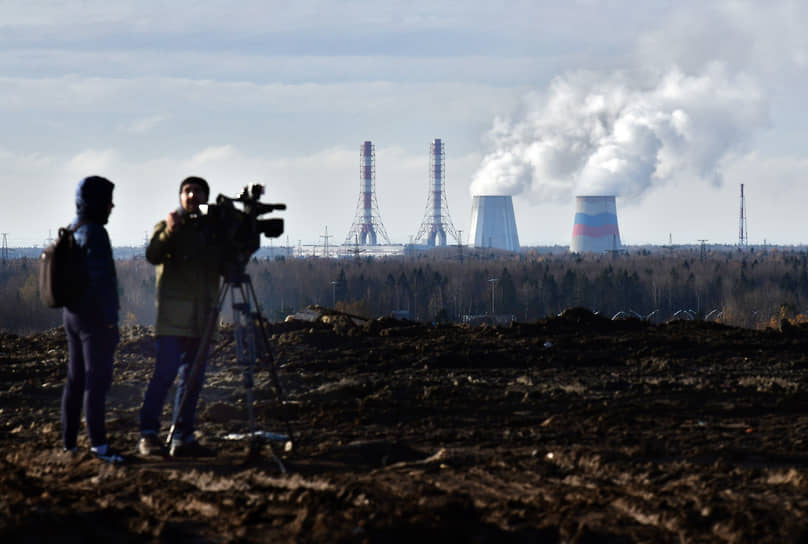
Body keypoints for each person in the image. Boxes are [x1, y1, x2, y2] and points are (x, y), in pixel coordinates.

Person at [138, 176, 222, 458]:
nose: (192, 196)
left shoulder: (212, 231)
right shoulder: (168, 226)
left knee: (192, 381)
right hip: (173, 321)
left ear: (206, 197)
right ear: (180, 196)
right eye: (187, 191)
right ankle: (148, 435)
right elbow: (153, 255)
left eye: (198, 191)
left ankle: (183, 437)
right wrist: (170, 232)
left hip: (202, 321)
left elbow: (228, 260)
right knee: (163, 376)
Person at [62, 175, 123, 464]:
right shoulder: (96, 232)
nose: (112, 205)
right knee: (96, 382)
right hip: (93, 320)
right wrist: (111, 322)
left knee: (75, 381)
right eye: (108, 200)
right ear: (98, 202)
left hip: (72, 314)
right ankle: (99, 447)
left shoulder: (75, 228)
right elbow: (102, 282)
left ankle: (69, 444)